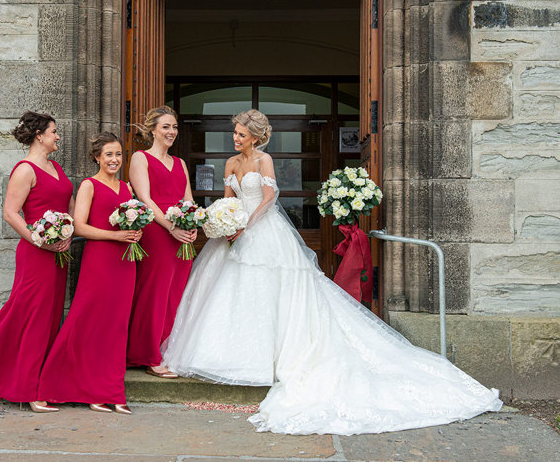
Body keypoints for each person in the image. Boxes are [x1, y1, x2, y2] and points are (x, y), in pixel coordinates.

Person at [162, 109, 503, 435]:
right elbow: (227, 200)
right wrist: (226, 222)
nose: (234, 139)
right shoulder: (231, 162)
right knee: (230, 294)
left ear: (254, 137)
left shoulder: (263, 160)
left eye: (239, 134)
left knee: (273, 291)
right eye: (234, 133)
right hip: (235, 235)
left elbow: (268, 197)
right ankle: (230, 356)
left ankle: (271, 358)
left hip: (263, 231)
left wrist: (246, 226)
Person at [0, 111, 74, 413]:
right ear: (39, 135)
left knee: (48, 317)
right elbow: (10, 213)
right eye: (54, 131)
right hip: (37, 255)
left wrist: (68, 234)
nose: (58, 136)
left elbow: (67, 208)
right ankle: (29, 389)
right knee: (31, 316)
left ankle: (37, 381)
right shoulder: (25, 170)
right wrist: (39, 239)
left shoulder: (55, 167)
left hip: (60, 254)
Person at [38, 132, 140, 415]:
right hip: (100, 262)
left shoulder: (127, 188)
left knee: (116, 327)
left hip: (125, 263)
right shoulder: (88, 185)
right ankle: (77, 389)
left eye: (118, 154)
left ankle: (112, 391)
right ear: (97, 157)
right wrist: (115, 236)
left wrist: (136, 230)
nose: (114, 159)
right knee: (88, 322)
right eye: (108, 154)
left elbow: (130, 219)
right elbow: (79, 227)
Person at [126, 106, 197, 378]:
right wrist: (170, 228)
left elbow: (188, 198)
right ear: (152, 129)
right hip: (158, 232)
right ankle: (148, 355)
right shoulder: (140, 159)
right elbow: (145, 199)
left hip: (182, 234)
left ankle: (164, 349)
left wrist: (192, 225)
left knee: (174, 295)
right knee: (154, 293)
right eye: (166, 127)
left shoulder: (180, 163)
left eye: (174, 127)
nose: (171, 132)